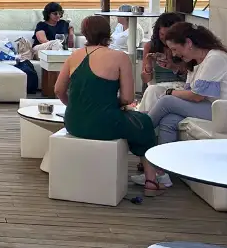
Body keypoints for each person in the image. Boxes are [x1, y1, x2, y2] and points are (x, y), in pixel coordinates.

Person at [55, 15, 163, 196]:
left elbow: (58, 90)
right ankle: (151, 181)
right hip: (104, 123)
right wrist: (115, 104)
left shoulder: (74, 56)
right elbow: (128, 98)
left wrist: (74, 105)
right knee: (143, 121)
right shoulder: (119, 57)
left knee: (130, 121)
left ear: (86, 33)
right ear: (108, 33)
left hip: (73, 122)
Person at [148, 23, 227, 146]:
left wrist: (170, 92)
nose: (174, 54)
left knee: (167, 101)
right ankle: (163, 162)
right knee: (169, 120)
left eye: (174, 49)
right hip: (216, 108)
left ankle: (140, 128)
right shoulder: (195, 63)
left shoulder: (215, 58)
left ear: (188, 43)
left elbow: (197, 96)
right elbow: (189, 91)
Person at [135, 12, 187, 112]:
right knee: (152, 90)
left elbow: (190, 77)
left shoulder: (184, 47)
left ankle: (147, 123)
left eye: (168, 35)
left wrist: (173, 67)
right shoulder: (151, 47)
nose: (164, 38)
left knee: (152, 91)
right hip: (157, 87)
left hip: (180, 88)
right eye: (162, 34)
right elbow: (146, 80)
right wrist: (149, 65)